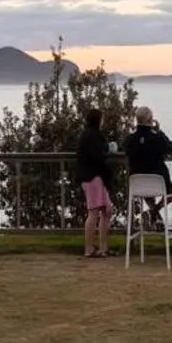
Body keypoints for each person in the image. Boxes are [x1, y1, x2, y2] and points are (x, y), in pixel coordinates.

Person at [124, 106, 172, 227]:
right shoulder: (157, 138)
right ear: (150, 120)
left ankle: (153, 214)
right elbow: (170, 147)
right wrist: (159, 131)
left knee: (146, 191)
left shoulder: (130, 139)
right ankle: (153, 212)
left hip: (137, 184)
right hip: (160, 183)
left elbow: (126, 150)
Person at [74, 106, 116, 258]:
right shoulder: (93, 136)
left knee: (107, 210)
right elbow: (98, 156)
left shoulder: (89, 135)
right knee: (93, 212)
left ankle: (103, 247)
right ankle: (89, 248)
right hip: (93, 178)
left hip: (94, 178)